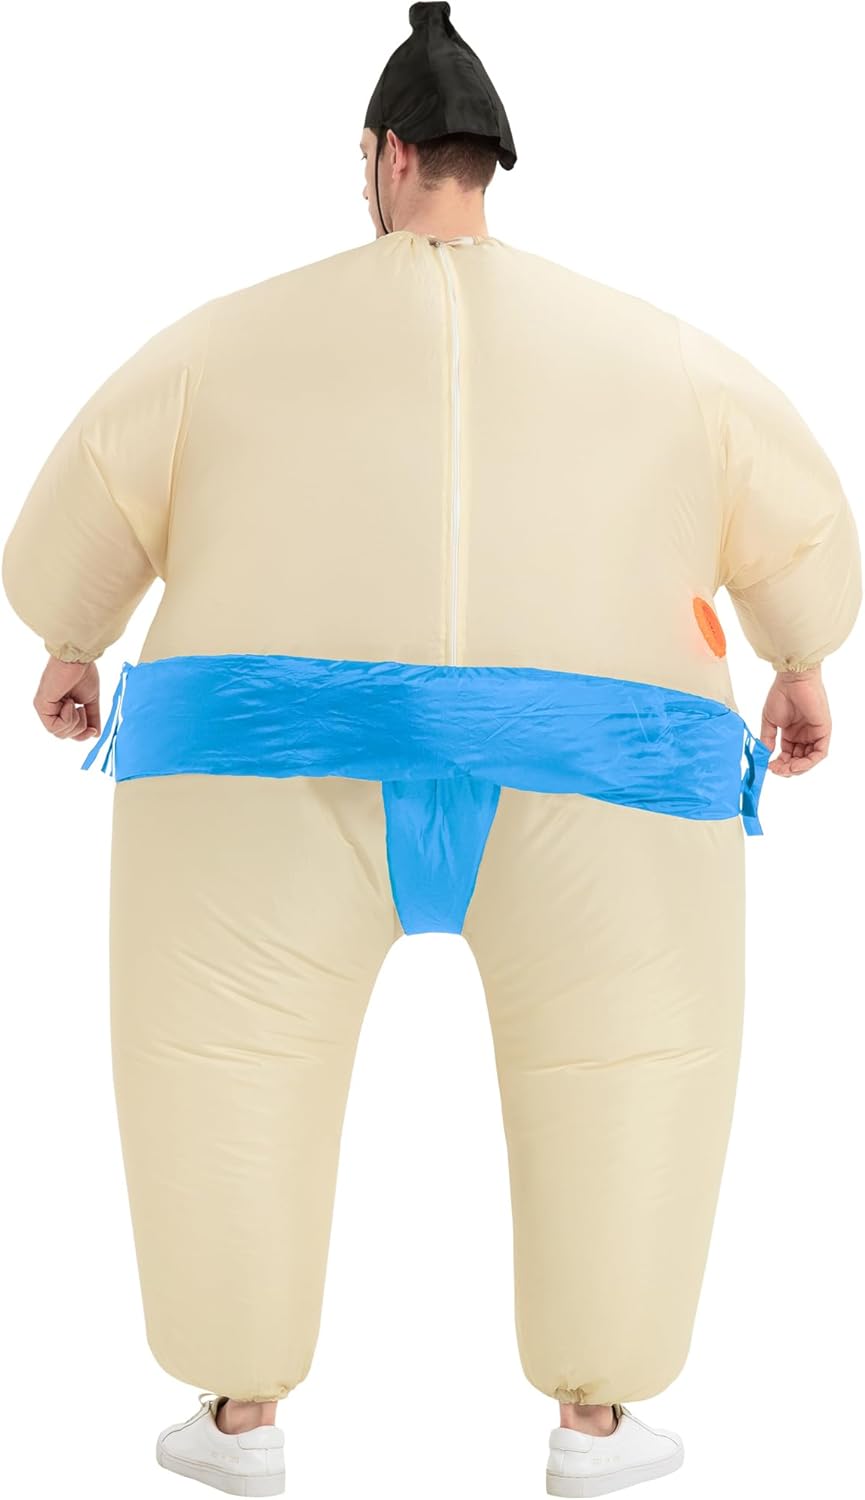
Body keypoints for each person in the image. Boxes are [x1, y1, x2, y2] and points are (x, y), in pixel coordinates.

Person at [2, 3, 861, 1496]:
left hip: (264, 758)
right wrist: (797, 663)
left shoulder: (220, 343)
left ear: (385, 156)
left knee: (223, 1060)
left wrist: (72, 643)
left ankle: (240, 1417)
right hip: (602, 765)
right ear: (487, 164)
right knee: (628, 1062)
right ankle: (595, 1426)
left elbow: (84, 503)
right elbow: (797, 520)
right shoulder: (667, 357)